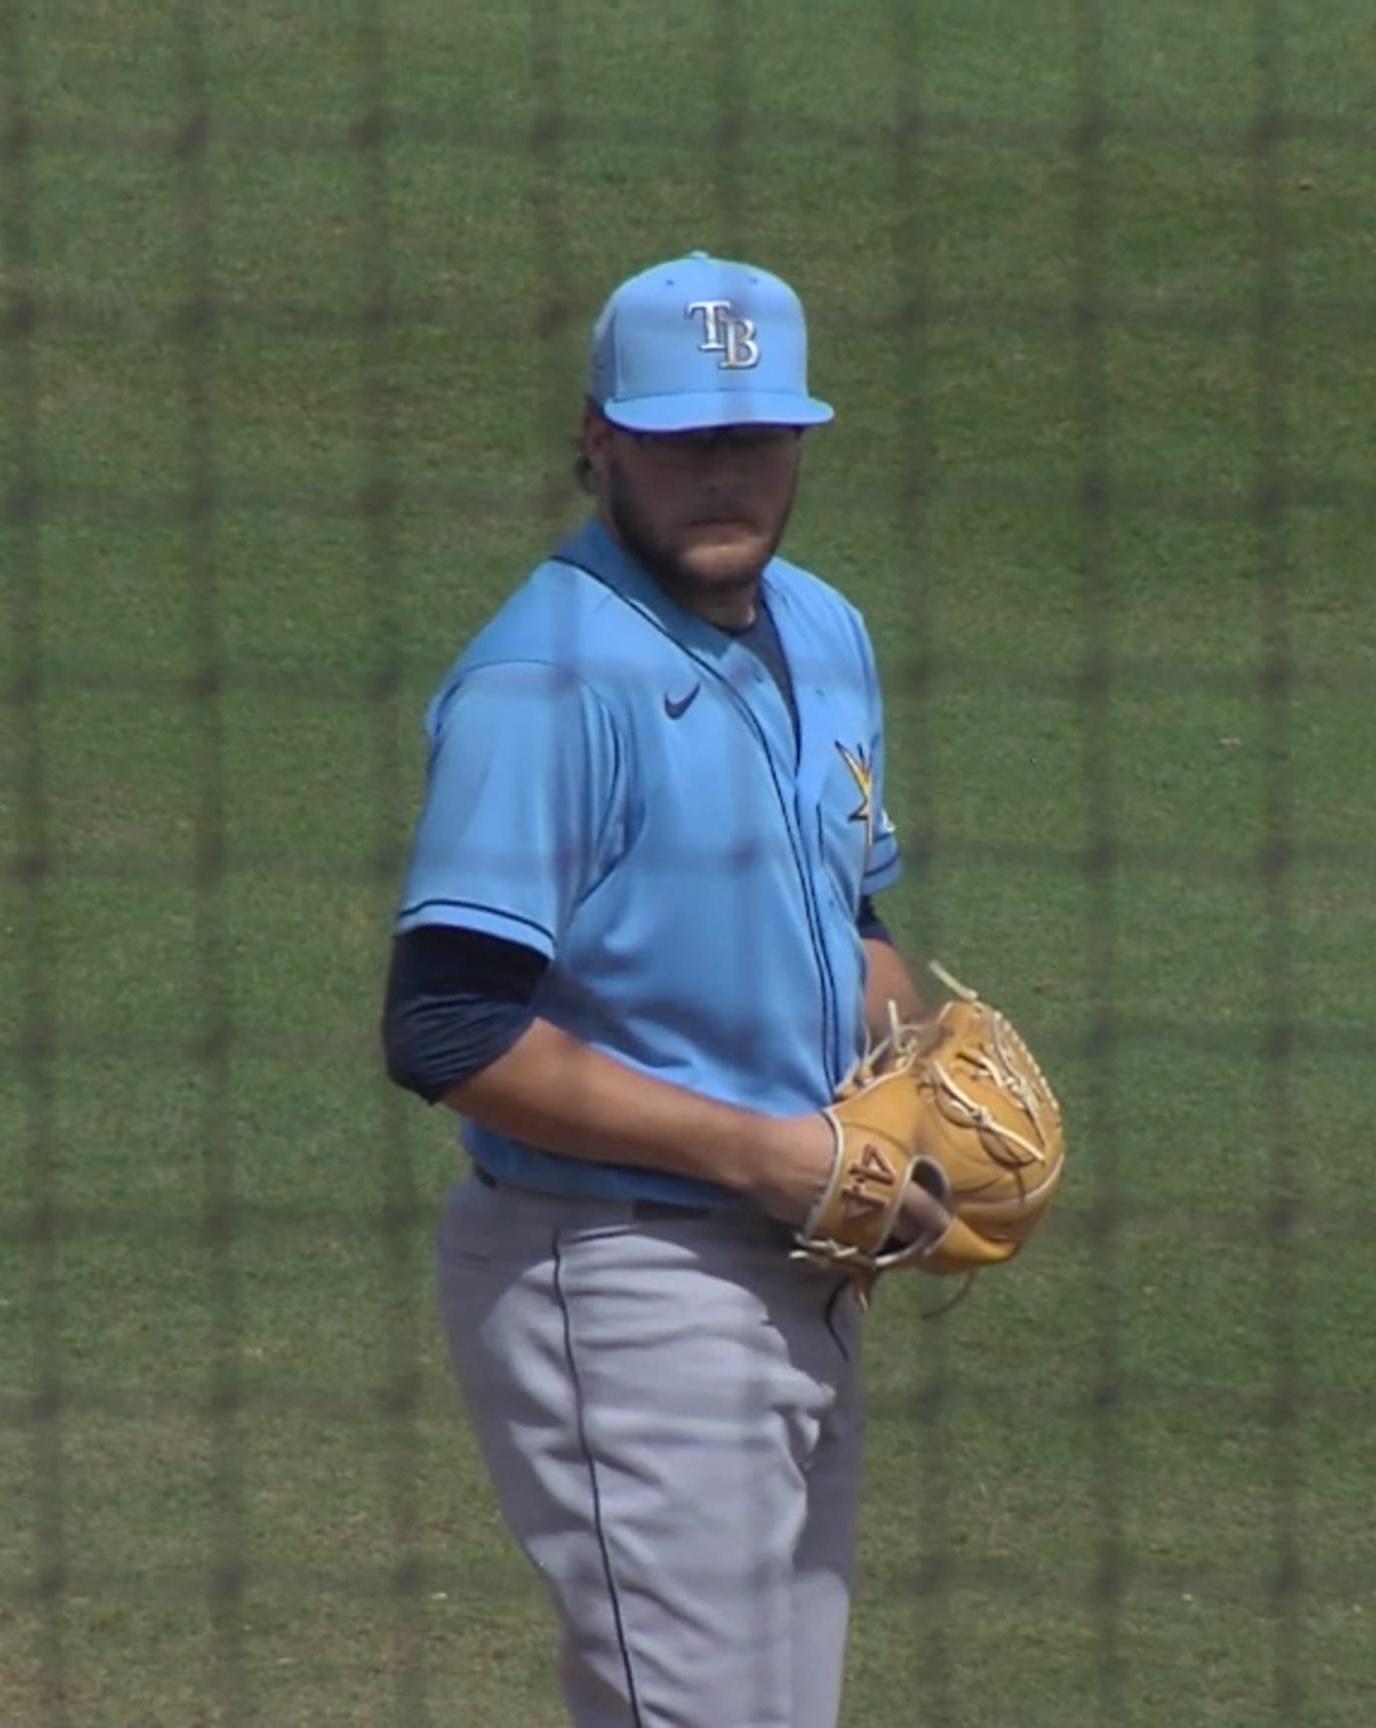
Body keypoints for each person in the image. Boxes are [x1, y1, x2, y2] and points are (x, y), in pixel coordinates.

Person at [379, 250, 947, 1728]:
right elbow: (448, 1027)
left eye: (751, 440)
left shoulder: (823, 633)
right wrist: (772, 1154)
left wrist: (919, 1074)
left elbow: (849, 904)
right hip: (620, 1282)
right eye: (681, 439)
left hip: (803, 1268)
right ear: (596, 438)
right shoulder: (546, 684)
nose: (721, 477)